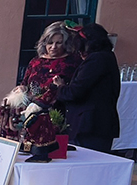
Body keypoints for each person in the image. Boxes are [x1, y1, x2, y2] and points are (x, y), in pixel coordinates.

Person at [16, 21, 83, 161]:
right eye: (50, 42)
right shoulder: (36, 61)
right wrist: (21, 90)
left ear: (65, 44)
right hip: (30, 110)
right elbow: (25, 83)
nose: (53, 47)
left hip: (56, 111)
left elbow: (75, 88)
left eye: (58, 43)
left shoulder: (72, 62)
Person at [55, 22, 121, 153]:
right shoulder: (106, 57)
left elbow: (76, 91)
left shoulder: (97, 60)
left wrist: (60, 87)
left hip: (89, 126)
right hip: (97, 125)